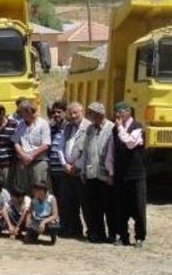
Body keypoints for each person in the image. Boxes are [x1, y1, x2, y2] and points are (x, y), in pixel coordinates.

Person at [76, 101, 116, 244]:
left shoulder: (112, 128)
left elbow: (113, 153)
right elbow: (85, 150)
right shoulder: (90, 129)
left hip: (105, 175)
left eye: (91, 114)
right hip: (91, 173)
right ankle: (96, 233)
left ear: (99, 114)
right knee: (94, 207)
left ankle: (112, 234)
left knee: (109, 207)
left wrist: (111, 173)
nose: (90, 116)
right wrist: (82, 170)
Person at [112, 101, 147, 248]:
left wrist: (120, 127)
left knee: (138, 207)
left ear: (128, 112)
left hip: (136, 174)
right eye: (117, 112)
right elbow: (111, 150)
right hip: (121, 174)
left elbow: (130, 143)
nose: (118, 115)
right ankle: (122, 236)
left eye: (121, 112)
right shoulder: (115, 130)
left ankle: (139, 237)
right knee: (121, 207)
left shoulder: (137, 127)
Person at [11, 100, 51, 195]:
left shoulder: (43, 123)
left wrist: (31, 155)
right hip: (23, 162)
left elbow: (46, 144)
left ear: (28, 111)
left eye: (21, 112)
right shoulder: (20, 125)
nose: (19, 114)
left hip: (38, 162)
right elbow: (16, 142)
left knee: (39, 190)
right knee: (23, 190)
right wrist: (23, 155)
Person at [60, 101, 87, 239]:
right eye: (70, 113)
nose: (73, 115)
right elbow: (61, 146)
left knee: (84, 202)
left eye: (76, 112)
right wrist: (64, 164)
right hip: (67, 170)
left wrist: (77, 166)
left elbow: (88, 150)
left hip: (80, 171)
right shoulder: (67, 127)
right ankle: (74, 229)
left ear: (82, 112)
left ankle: (92, 231)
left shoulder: (88, 127)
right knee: (69, 202)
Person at [22, 180, 60, 245]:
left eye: (36, 190)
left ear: (42, 191)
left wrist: (43, 222)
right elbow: (30, 213)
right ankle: (34, 235)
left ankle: (53, 236)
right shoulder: (34, 199)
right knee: (28, 238)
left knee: (53, 226)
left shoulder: (51, 198)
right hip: (37, 219)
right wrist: (27, 222)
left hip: (49, 220)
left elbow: (55, 215)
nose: (34, 191)